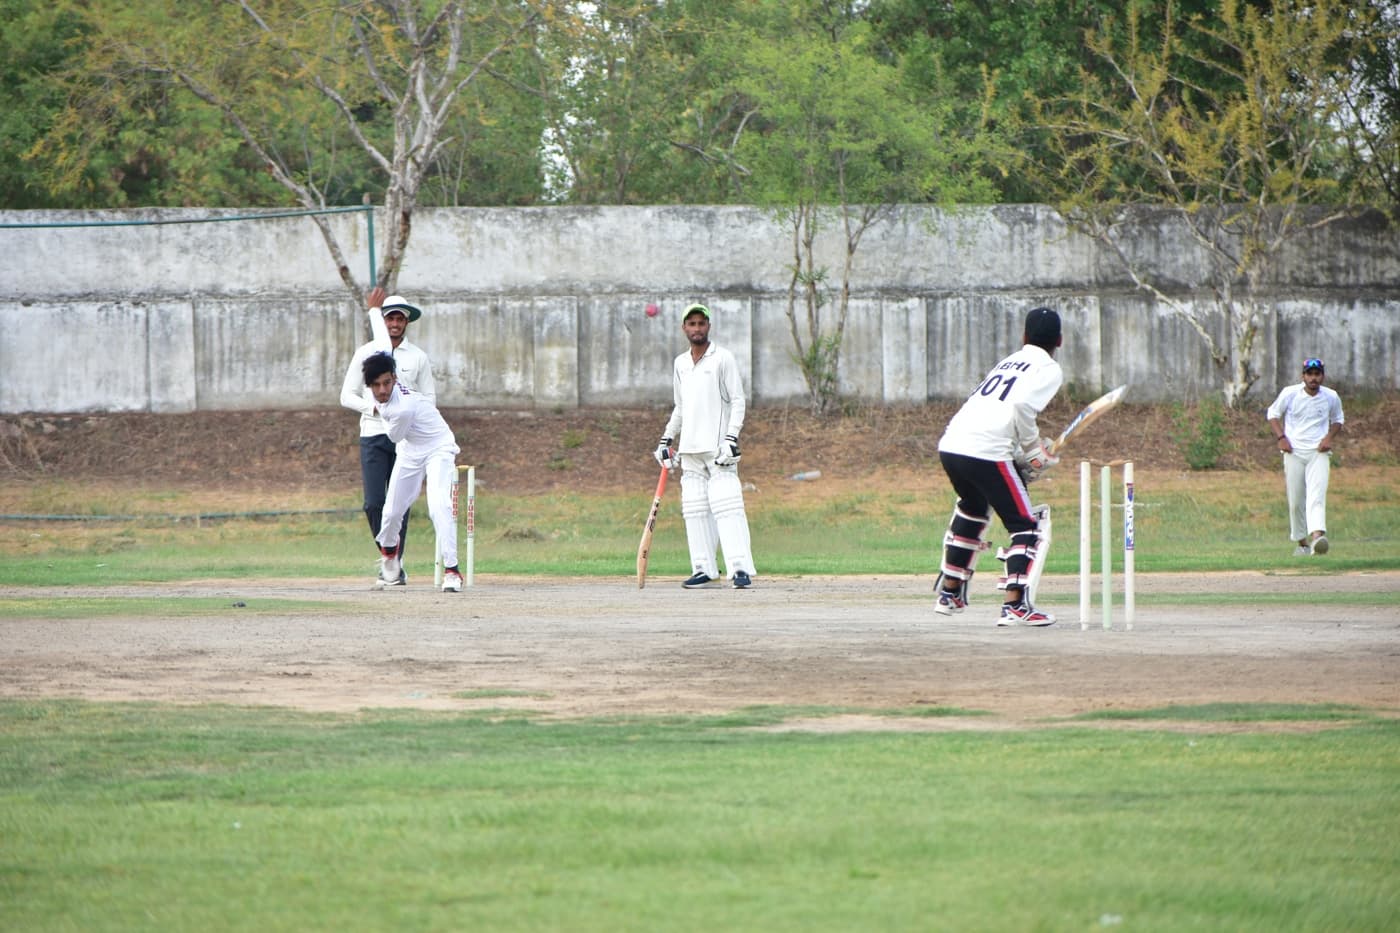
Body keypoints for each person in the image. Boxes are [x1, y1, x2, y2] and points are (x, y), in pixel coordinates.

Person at [933, 306, 1064, 626]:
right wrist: (1033, 449)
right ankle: (1016, 605)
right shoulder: (1048, 368)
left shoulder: (1009, 361)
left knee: (974, 507)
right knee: (1027, 526)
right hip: (986, 451)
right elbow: (1020, 407)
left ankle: (949, 592)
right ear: (1060, 340)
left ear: (1024, 336)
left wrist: (1019, 453)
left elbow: (999, 409)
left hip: (952, 444)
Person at [359, 289, 464, 592]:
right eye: (376, 386)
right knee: (391, 512)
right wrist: (373, 311)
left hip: (438, 446)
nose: (382, 390)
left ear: (394, 378)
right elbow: (381, 340)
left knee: (438, 506)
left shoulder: (401, 407)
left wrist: (382, 413)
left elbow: (393, 436)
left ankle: (452, 571)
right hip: (411, 449)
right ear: (370, 384)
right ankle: (389, 555)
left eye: (386, 383)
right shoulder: (382, 371)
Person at [654, 303, 756, 589]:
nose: (697, 328)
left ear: (708, 326)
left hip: (718, 449)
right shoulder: (680, 363)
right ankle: (704, 568)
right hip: (690, 450)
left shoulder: (722, 358)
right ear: (684, 328)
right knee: (695, 510)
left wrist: (731, 437)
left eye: (701, 323)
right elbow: (681, 406)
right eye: (691, 324)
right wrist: (666, 439)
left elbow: (737, 400)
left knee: (728, 507)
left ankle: (739, 569)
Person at [340, 287, 436, 586]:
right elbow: (346, 395)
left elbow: (428, 399)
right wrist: (375, 410)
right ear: (382, 321)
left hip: (406, 439)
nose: (394, 324)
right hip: (373, 434)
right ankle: (388, 555)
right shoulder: (366, 352)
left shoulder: (418, 357)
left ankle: (395, 563)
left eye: (399, 319)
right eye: (389, 318)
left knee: (400, 503)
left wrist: (415, 424)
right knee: (374, 503)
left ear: (406, 323)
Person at [1266, 358, 1344, 556]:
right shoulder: (1290, 393)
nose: (1313, 378)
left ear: (1322, 376)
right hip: (1293, 452)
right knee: (1295, 500)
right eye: (1310, 374)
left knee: (1316, 496)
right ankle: (1302, 543)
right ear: (1303, 376)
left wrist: (1329, 437)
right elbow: (1272, 414)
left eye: (1317, 374)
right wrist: (1281, 438)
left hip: (1318, 452)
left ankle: (1318, 538)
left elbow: (1338, 420)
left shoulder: (1331, 396)